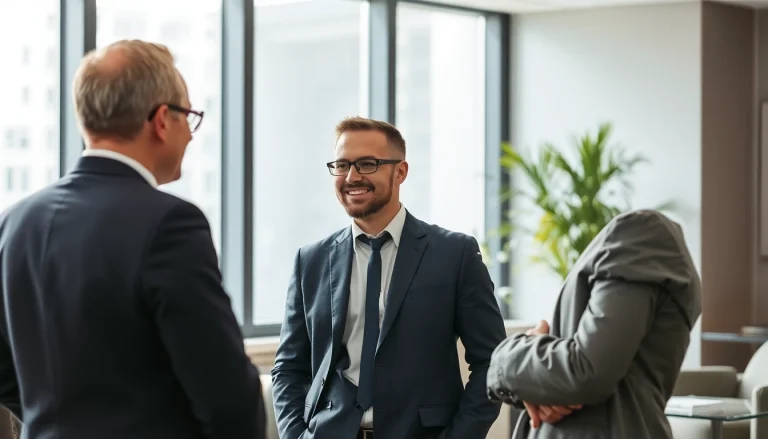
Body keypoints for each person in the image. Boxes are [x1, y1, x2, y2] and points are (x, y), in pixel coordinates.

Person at [0, 40, 265, 439]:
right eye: (189, 117)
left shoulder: (15, 222)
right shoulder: (170, 223)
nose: (191, 136)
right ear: (162, 120)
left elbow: (4, 371)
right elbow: (227, 396)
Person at [272, 117, 507, 439]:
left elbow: (491, 362)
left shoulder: (454, 254)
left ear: (400, 172)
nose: (352, 177)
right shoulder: (311, 260)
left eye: (367, 164)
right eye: (342, 165)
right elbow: (288, 367)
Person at [486, 209, 702, 439]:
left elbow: (588, 370)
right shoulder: (655, 248)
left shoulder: (645, 233)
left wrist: (505, 358)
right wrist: (543, 392)